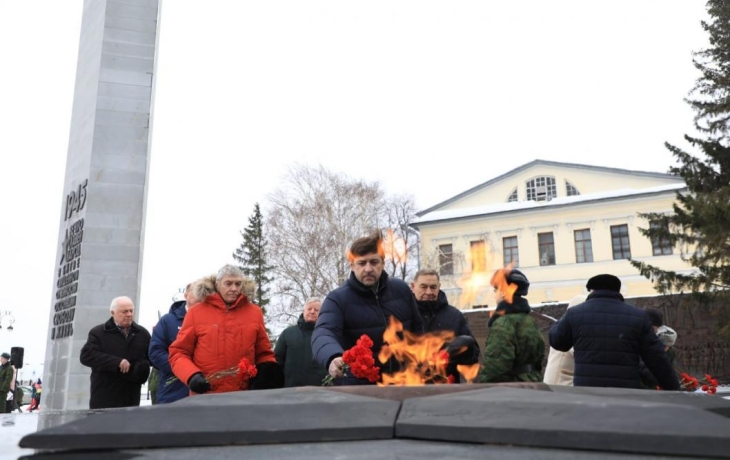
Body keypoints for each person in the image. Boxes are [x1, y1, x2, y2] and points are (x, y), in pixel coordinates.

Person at [312, 231, 424, 385]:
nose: (368, 268)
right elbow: (323, 332)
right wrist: (332, 356)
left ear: (383, 263)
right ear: (352, 265)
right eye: (362, 263)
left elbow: (417, 330)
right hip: (360, 390)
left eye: (374, 262)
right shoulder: (337, 299)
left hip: (403, 384)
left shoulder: (401, 290)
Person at [549, 274, 680, 390]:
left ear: (592, 290)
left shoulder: (575, 313)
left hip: (588, 390)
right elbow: (656, 358)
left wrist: (564, 318)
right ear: (617, 290)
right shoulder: (638, 316)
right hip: (626, 391)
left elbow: (558, 342)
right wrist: (673, 387)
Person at [169, 265, 283, 394]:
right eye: (228, 283)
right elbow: (178, 352)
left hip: (243, 396)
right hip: (206, 395)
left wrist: (266, 374)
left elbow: (264, 354)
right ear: (217, 284)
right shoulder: (196, 312)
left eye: (238, 284)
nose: (234, 288)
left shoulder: (255, 313)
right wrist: (191, 376)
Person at [79, 296, 152, 409]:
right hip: (104, 398)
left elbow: (151, 358)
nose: (129, 314)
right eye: (124, 311)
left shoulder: (142, 334)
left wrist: (141, 369)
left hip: (131, 399)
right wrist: (117, 362)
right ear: (113, 313)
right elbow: (86, 356)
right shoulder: (98, 333)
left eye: (131, 311)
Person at [410, 268, 479, 382]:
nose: (428, 292)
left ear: (439, 287)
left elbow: (473, 356)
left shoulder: (454, 316)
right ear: (413, 287)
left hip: (446, 387)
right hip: (410, 385)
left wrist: (458, 350)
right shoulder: (404, 314)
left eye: (433, 287)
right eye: (423, 287)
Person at [479, 268, 545, 383]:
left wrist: (484, 387)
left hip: (512, 389)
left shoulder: (503, 323)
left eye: (496, 290)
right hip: (534, 384)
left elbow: (496, 367)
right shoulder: (529, 320)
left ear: (504, 292)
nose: (494, 296)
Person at [149, 282, 203, 403]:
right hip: (173, 391)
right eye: (196, 292)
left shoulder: (211, 321)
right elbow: (155, 352)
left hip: (204, 389)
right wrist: (186, 370)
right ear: (186, 295)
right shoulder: (168, 321)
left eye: (203, 292)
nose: (200, 296)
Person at [274, 297, 329, 387]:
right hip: (291, 391)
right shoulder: (288, 333)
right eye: (309, 309)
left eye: (316, 310)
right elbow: (277, 362)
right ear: (304, 311)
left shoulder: (327, 335)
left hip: (321, 392)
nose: (312, 311)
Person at [542, 294, 587, 386]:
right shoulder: (572, 330)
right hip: (562, 383)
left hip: (554, 382)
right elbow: (582, 352)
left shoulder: (562, 329)